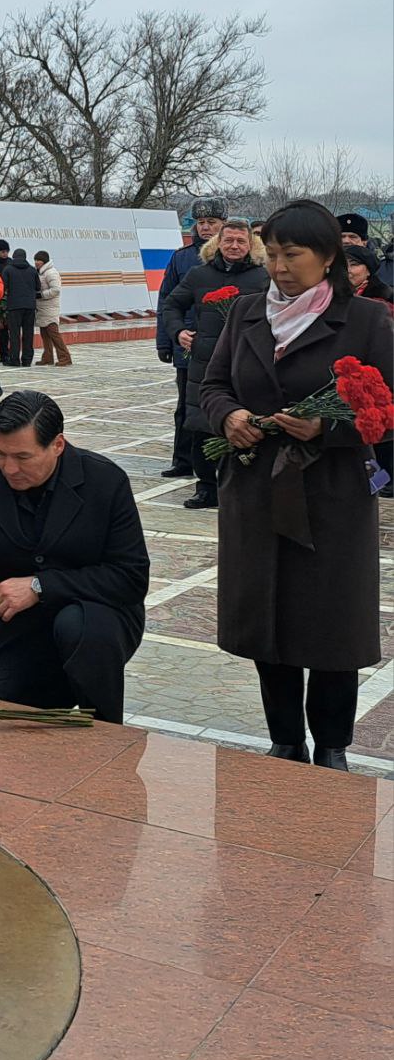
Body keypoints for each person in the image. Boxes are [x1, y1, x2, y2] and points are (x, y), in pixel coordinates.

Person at [199, 200, 392, 771]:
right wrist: (227, 418)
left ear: (329, 256)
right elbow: (210, 384)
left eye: (293, 254)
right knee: (267, 617)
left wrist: (328, 427)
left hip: (330, 494)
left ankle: (331, 744)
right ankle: (284, 738)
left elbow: (386, 409)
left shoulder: (366, 320)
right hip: (255, 487)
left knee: (330, 624)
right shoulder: (246, 313)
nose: (279, 266)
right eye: (273, 253)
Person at [0, 391, 150, 724]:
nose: (9, 468)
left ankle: (108, 732)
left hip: (98, 620)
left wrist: (40, 586)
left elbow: (131, 578)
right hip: (23, 627)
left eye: (23, 456)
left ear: (58, 445)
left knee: (78, 628)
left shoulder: (104, 481)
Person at [161, 219, 269, 509]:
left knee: (245, 421)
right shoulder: (199, 275)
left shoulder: (263, 277)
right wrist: (178, 332)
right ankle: (207, 487)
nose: (234, 246)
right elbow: (171, 304)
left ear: (251, 245)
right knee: (201, 424)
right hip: (205, 361)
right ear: (218, 243)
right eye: (229, 240)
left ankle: (242, 484)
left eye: (240, 241)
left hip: (248, 361)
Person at [155, 197, 227, 478]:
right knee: (186, 405)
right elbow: (167, 301)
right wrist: (165, 340)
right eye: (201, 223)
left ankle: (217, 461)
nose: (206, 228)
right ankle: (183, 460)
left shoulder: (232, 256)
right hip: (188, 344)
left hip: (222, 344)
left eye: (212, 222)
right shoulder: (181, 257)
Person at [344, 244, 393, 497]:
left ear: (368, 270)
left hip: (377, 372)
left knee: (379, 432)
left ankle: (384, 481)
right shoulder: (332, 297)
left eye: (354, 264)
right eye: (344, 264)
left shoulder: (384, 298)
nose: (348, 271)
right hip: (346, 375)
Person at [1, 247, 39, 366]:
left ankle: (14, 359)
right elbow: (38, 287)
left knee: (14, 334)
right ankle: (27, 360)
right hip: (30, 306)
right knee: (28, 333)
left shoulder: (8, 269)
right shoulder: (33, 270)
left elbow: (3, 287)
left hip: (14, 306)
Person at [33, 250, 70, 366]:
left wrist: (41, 294)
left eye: (38, 260)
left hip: (50, 308)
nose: (36, 262)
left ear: (44, 261)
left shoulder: (51, 273)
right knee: (45, 334)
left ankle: (65, 357)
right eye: (35, 260)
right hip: (43, 308)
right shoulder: (41, 272)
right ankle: (48, 357)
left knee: (54, 334)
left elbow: (56, 290)